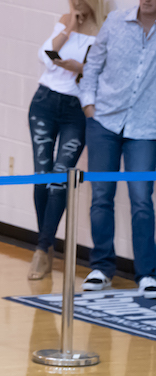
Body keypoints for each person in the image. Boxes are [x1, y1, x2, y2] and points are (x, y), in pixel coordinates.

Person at [79, 0, 156, 298]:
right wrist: (89, 106)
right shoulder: (115, 22)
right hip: (104, 122)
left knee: (141, 199)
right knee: (101, 195)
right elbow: (93, 66)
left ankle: (147, 274)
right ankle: (101, 267)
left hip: (146, 129)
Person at [27, 0, 104, 281]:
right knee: (41, 175)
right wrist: (69, 26)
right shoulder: (64, 20)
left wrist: (79, 67)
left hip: (76, 109)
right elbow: (45, 57)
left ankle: (41, 248)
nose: (76, 3)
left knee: (60, 179)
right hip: (45, 102)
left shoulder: (104, 29)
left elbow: (103, 72)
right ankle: (44, 247)